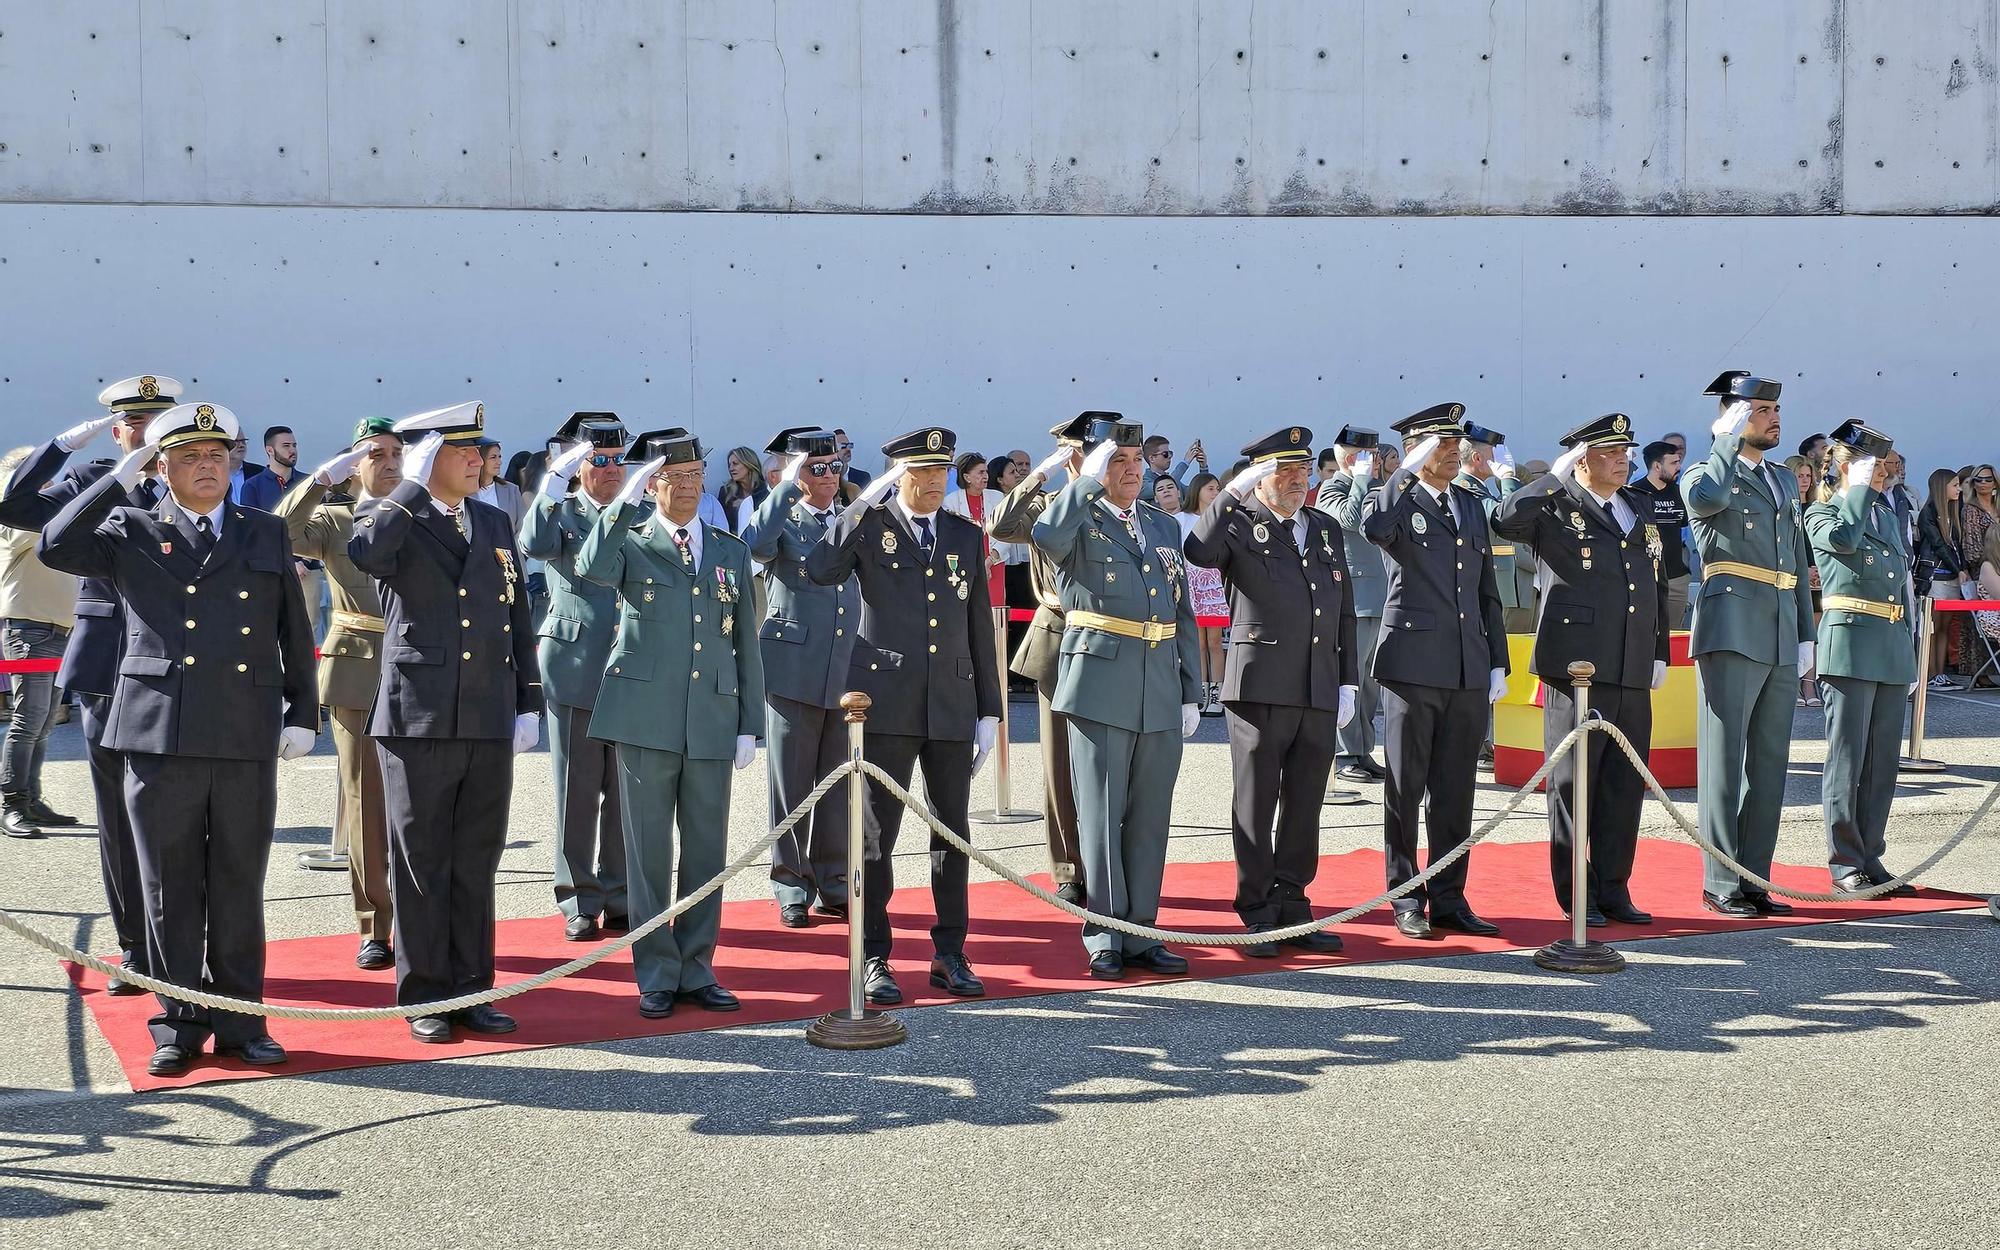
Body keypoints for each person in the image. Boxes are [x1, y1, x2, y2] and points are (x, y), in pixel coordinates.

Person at [40, 401, 317, 1077]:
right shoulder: (128, 526)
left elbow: (291, 629)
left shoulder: (262, 531)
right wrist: (119, 476)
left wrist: (301, 714)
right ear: (160, 466)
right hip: (160, 730)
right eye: (189, 457)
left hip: (243, 727)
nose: (207, 468)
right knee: (168, 885)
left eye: (218, 456)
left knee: (237, 883)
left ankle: (242, 1023)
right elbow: (53, 543)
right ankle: (178, 1023)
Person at [348, 401, 542, 1043]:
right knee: (422, 857)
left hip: (484, 709)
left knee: (475, 857)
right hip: (417, 715)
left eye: (478, 451)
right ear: (430, 457)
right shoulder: (392, 514)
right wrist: (409, 484)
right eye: (461, 451)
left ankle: (472, 987)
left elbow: (513, 612)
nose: (477, 460)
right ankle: (425, 991)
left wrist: (526, 699)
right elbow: (368, 555)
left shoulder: (491, 520)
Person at [0, 375, 181, 990]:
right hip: (109, 666)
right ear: (117, 429)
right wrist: (62, 446)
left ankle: (188, 943)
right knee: (117, 816)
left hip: (185, 672)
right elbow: (15, 506)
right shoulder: (92, 482)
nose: (146, 432)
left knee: (188, 815)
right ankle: (136, 947)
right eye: (134, 422)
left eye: (158, 420)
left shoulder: (196, 480)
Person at [809, 426, 1001, 1003]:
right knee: (875, 840)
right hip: (885, 705)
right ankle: (874, 956)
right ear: (901, 475)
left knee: (952, 835)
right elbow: (821, 568)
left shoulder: (964, 536)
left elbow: (975, 623)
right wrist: (862, 502)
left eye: (942, 472)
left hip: (950, 701)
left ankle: (950, 952)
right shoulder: (870, 525)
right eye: (924, 472)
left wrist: (988, 708)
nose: (936, 482)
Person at [576, 429, 763, 1018]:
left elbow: (746, 646)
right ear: (653, 482)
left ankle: (697, 965)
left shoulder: (729, 549)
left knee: (707, 850)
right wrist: (619, 502)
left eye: (693, 477)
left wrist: (748, 723)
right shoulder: (630, 540)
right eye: (672, 477)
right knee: (649, 853)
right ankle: (656, 970)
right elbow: (590, 568)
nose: (686, 486)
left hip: (711, 713)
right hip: (646, 719)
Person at [1034, 414, 1200, 979]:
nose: (1130, 472)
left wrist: (1189, 688)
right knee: (1100, 814)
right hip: (1100, 684)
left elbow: (1180, 609)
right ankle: (1105, 932)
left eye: (1135, 462)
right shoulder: (1077, 520)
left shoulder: (1162, 526)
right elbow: (1044, 536)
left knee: (1151, 815)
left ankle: (1141, 931)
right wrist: (1083, 479)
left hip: (1157, 682)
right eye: (1118, 462)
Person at [1183, 426, 1356, 956]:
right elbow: (1197, 551)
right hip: (1260, 683)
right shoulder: (1237, 523)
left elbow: (1342, 605)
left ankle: (1294, 903)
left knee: (1306, 801)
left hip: (1317, 682)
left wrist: (1347, 678)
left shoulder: (1324, 527)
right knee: (1256, 801)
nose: (1297, 481)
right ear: (1261, 476)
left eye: (1304, 471)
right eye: (1285, 471)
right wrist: (1233, 494)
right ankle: (1257, 908)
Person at [1493, 413, 1668, 926]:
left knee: (1623, 783)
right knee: (1575, 786)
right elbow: (1504, 519)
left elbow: (1653, 583)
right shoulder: (1555, 505)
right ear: (1582, 458)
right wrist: (1553, 475)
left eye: (1626, 450)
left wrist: (1659, 650)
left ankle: (1614, 887)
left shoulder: (1637, 505)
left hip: (1632, 662)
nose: (1624, 458)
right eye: (1610, 452)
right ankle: (1577, 895)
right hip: (1577, 667)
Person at [1361, 403, 1509, 940]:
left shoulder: (1468, 504)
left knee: (1456, 789)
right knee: (1405, 785)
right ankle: (1405, 895)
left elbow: (1485, 589)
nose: (1453, 451)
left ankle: (1450, 896)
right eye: (1439, 444)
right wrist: (1402, 471)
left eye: (1454, 443)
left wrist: (1497, 660)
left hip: (1466, 665)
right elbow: (1374, 526)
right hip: (1413, 665)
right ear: (1415, 449)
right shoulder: (1399, 501)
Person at [1681, 371, 1815, 918]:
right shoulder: (1704, 473)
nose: (1773, 417)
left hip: (1781, 629)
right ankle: (1720, 878)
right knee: (1724, 760)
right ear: (1734, 415)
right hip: (1732, 627)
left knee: (1769, 762)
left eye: (1774, 409)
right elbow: (1708, 502)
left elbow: (1796, 563)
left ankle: (1754, 877)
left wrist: (1806, 633)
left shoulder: (1783, 480)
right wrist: (1723, 441)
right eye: (1760, 409)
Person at [275, 417, 405, 969]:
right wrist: (323, 478)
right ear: (356, 460)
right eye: (376, 452)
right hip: (360, 665)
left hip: (424, 668)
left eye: (397, 450)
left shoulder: (420, 513)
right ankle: (375, 924)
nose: (390, 460)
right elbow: (276, 532)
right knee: (366, 799)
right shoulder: (332, 520)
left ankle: (429, 919)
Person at [517, 414, 632, 943]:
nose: (611, 470)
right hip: (575, 664)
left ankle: (621, 892)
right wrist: (549, 484)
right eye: (599, 460)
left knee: (625, 789)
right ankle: (577, 896)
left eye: (617, 460)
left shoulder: (638, 513)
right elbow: (534, 545)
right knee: (577, 789)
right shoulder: (560, 513)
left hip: (631, 665)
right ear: (579, 466)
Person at [744, 427, 859, 928]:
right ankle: (790, 881)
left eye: (835, 466)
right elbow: (755, 544)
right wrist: (785, 488)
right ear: (791, 473)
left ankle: (834, 879)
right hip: (793, 667)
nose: (829, 476)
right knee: (791, 784)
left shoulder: (853, 518)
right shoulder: (781, 518)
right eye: (816, 467)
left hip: (845, 666)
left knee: (838, 782)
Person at [1805, 421, 1918, 898]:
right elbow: (1845, 543)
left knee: (1882, 763)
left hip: (1889, 645)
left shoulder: (1884, 516)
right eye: (1871, 464)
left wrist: (1909, 649)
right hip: (1849, 644)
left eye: (1884, 464)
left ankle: (1871, 855)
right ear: (1844, 466)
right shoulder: (1823, 514)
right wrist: (1853, 489)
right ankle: (1844, 862)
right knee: (1848, 761)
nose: (1883, 472)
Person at [988, 419, 1092, 903]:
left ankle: (1113, 860)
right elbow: (1002, 526)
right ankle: (1069, 866)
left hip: (1121, 644)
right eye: (1082, 452)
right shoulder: (1049, 506)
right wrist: (1041, 475)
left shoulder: (1130, 510)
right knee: (1060, 763)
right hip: (1061, 634)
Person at [0, 447, 79, 838]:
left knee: (45, 720)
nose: (52, 489)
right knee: (27, 718)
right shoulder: (18, 521)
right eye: (44, 482)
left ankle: (31, 798)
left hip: (57, 631)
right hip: (29, 631)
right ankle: (12, 803)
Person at [1315, 427, 1390, 783]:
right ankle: (1345, 755)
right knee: (1351, 678)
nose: (1373, 462)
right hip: (1355, 597)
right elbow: (1346, 519)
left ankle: (1363, 750)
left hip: (1380, 594)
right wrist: (1359, 480)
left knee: (1371, 683)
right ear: (1349, 458)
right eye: (1366, 456)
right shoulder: (1334, 487)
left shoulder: (1373, 487)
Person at [1456, 423, 1527, 774]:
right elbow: (1506, 519)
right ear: (1480, 457)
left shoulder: (1480, 489)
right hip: (1486, 590)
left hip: (1504, 587)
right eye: (1495, 455)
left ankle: (1493, 738)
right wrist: (1508, 481)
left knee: (1499, 667)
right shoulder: (1465, 489)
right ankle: (1484, 740)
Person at [242, 425, 327, 640]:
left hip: (307, 568)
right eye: (286, 446)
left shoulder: (309, 483)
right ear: (269, 450)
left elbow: (319, 525)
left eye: (295, 445)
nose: (293, 450)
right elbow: (254, 531)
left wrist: (304, 560)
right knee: (271, 628)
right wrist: (288, 561)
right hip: (271, 569)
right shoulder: (253, 486)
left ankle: (309, 674)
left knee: (308, 630)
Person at [1629, 440, 1691, 628]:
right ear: (1657, 466)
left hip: (1676, 578)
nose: (1679, 467)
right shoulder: (1634, 493)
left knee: (1673, 636)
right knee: (1644, 632)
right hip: (1646, 578)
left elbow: (1682, 528)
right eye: (1673, 463)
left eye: (1679, 462)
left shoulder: (1681, 492)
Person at [1181, 472, 1228, 715]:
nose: (1216, 493)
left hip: (1215, 587)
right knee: (1197, 642)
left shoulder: (1222, 519)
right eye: (1211, 488)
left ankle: (1217, 692)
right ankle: (1200, 689)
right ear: (1197, 490)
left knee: (1215, 642)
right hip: (1191, 586)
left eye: (1218, 488)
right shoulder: (1182, 519)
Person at [1917, 467, 1969, 689]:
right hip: (1936, 577)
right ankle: (1928, 673)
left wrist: (1961, 569)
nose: (1959, 489)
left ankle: (1940, 674)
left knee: (1945, 628)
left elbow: (1959, 546)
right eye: (1955, 485)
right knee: (1933, 627)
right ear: (1942, 487)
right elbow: (1938, 545)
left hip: (1952, 577)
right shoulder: (1928, 512)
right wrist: (1958, 568)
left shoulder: (1954, 512)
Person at [942, 451, 1007, 608]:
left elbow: (1006, 534)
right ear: (966, 477)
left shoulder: (998, 497)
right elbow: (951, 538)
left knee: (994, 610)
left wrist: (988, 562)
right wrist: (977, 565)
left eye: (986, 472)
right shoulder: (950, 502)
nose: (985, 476)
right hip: (965, 566)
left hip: (994, 564)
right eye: (980, 472)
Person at [1785, 454, 1825, 706]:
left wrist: (1817, 569)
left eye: (1808, 476)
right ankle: (1792, 686)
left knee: (1812, 634)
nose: (1805, 481)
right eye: (1799, 475)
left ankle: (1809, 686)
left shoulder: (1816, 508)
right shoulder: (1784, 509)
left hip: (1816, 579)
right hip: (1792, 577)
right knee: (1792, 632)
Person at [472, 438, 528, 533]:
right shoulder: (466, 492)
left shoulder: (512, 490)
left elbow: (522, 526)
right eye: (493, 457)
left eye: (499, 457)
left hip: (510, 546)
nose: (499, 462)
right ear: (480, 460)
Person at [717, 445, 768, 536]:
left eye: (735, 463)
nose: (731, 468)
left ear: (749, 464)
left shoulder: (766, 490)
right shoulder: (726, 492)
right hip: (735, 545)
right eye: (729, 465)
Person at [1141, 434, 1203, 499]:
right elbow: (1165, 484)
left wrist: (1203, 467)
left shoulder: (1176, 482)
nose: (1170, 456)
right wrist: (1185, 463)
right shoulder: (1143, 485)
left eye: (1170, 452)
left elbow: (1197, 494)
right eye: (1165, 454)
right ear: (1151, 458)